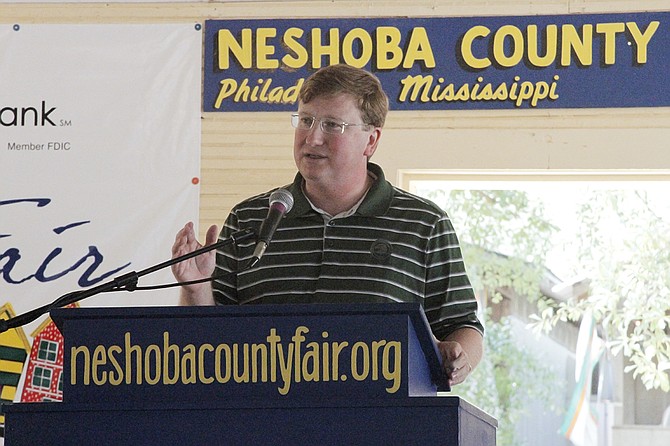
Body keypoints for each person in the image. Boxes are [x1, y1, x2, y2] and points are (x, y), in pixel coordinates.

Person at [172, 64, 483, 386]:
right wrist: (195, 288)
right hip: (261, 417)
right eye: (305, 120)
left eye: (332, 125)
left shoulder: (423, 223)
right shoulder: (251, 217)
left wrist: (460, 358)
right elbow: (206, 341)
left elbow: (462, 324)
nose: (312, 137)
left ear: (371, 141)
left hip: (382, 421)